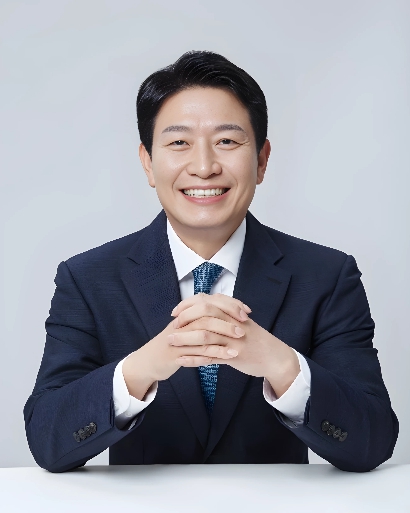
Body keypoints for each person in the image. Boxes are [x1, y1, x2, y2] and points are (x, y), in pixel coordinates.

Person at [24, 51, 399, 473]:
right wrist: (141, 368)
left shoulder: (326, 276)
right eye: (178, 143)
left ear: (261, 160)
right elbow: (47, 441)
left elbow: (372, 442)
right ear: (148, 162)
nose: (204, 167)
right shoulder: (88, 278)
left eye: (227, 141)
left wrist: (282, 365)